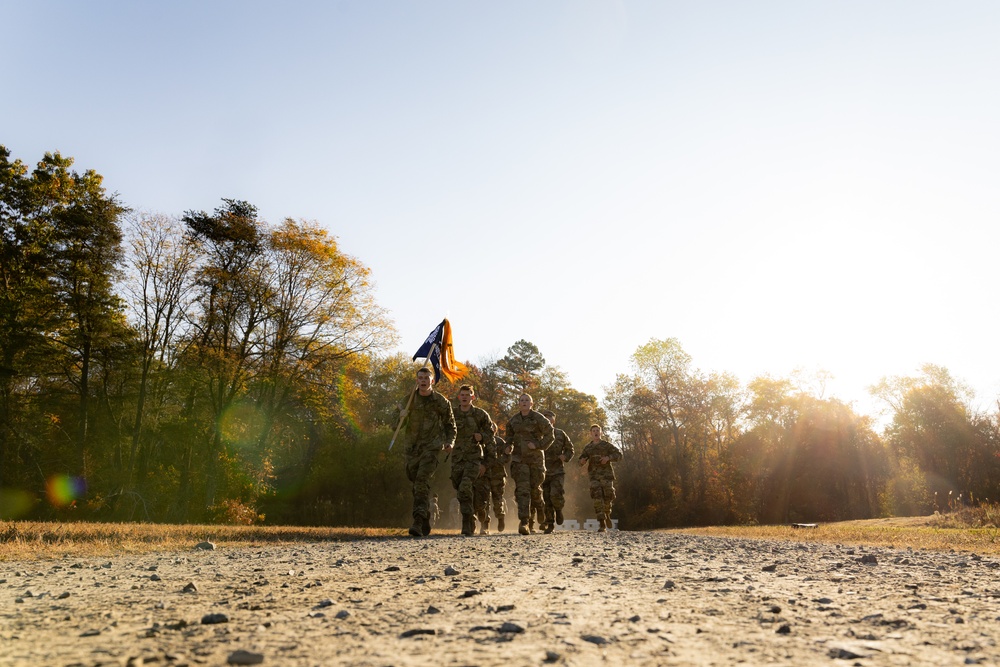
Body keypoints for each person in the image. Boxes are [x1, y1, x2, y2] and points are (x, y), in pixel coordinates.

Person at [400, 367, 456, 537]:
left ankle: (417, 521)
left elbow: (450, 425)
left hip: (432, 448)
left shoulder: (441, 401)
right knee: (417, 483)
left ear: (432, 381)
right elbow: (395, 425)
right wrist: (401, 415)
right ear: (417, 381)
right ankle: (425, 516)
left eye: (426, 378)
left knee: (421, 481)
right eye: (420, 377)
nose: (423, 380)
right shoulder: (408, 400)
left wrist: (449, 442)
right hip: (412, 450)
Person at [504, 393, 554, 535]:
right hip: (519, 461)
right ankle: (524, 522)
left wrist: (538, 445)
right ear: (518, 404)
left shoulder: (539, 418)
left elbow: (550, 434)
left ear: (531, 404)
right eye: (522, 400)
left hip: (536, 460)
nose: (524, 402)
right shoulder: (513, 421)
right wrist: (508, 447)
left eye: (527, 400)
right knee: (522, 491)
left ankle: (540, 508)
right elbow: (508, 438)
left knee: (535, 490)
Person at [450, 384, 494, 536]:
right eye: (462, 395)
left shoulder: (480, 415)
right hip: (457, 459)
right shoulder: (452, 414)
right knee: (462, 492)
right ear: (458, 397)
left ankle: (468, 522)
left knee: (465, 488)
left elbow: (491, 435)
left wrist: (482, 436)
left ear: (472, 397)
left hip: (474, 459)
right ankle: (472, 518)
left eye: (467, 395)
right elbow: (444, 430)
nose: (464, 397)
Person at [578, 424, 623, 532]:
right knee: (597, 499)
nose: (596, 432)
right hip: (594, 477)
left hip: (606, 476)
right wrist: (582, 461)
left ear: (601, 433)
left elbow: (619, 455)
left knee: (608, 497)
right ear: (591, 433)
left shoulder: (606, 445)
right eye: (593, 431)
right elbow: (580, 460)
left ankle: (607, 513)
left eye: (597, 430)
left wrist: (608, 458)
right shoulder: (588, 447)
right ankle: (601, 523)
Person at [540, 410, 574, 534]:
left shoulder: (560, 434)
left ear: (553, 420)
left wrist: (565, 457)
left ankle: (559, 510)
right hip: (542, 471)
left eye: (549, 417)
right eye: (544, 417)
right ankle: (550, 524)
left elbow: (570, 449)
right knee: (546, 498)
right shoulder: (538, 434)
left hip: (557, 471)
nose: (547, 419)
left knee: (555, 495)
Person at [482, 431, 511, 532]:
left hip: (497, 475)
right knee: (484, 500)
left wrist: (498, 462)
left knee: (498, 499)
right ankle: (485, 524)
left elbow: (508, 456)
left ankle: (500, 517)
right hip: (484, 475)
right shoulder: (482, 442)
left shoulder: (500, 442)